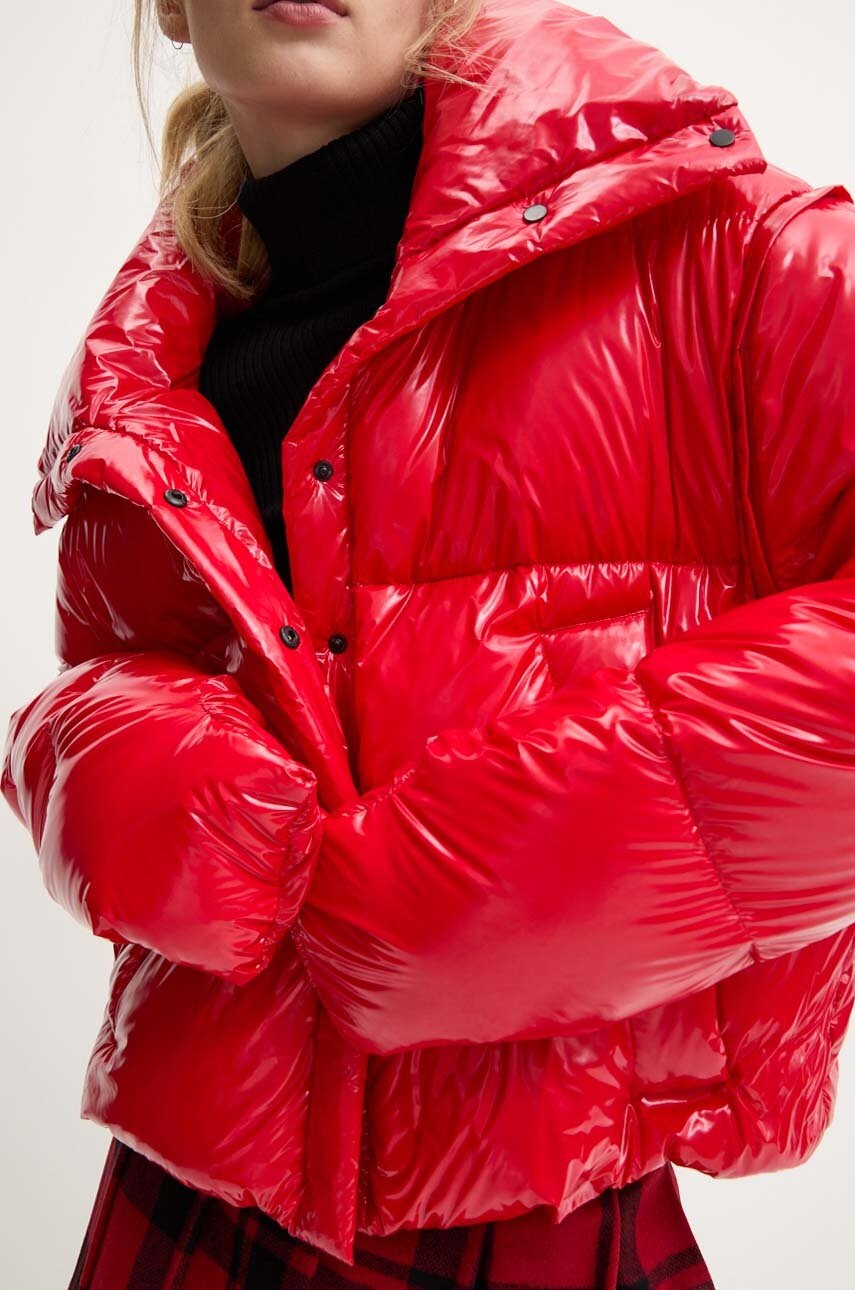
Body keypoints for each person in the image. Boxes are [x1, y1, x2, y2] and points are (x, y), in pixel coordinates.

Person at [3, 0, 854, 1286]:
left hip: (539, 1219)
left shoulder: (717, 248)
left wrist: (507, 869)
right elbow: (131, 669)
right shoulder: (150, 359)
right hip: (184, 1192)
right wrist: (95, 753)